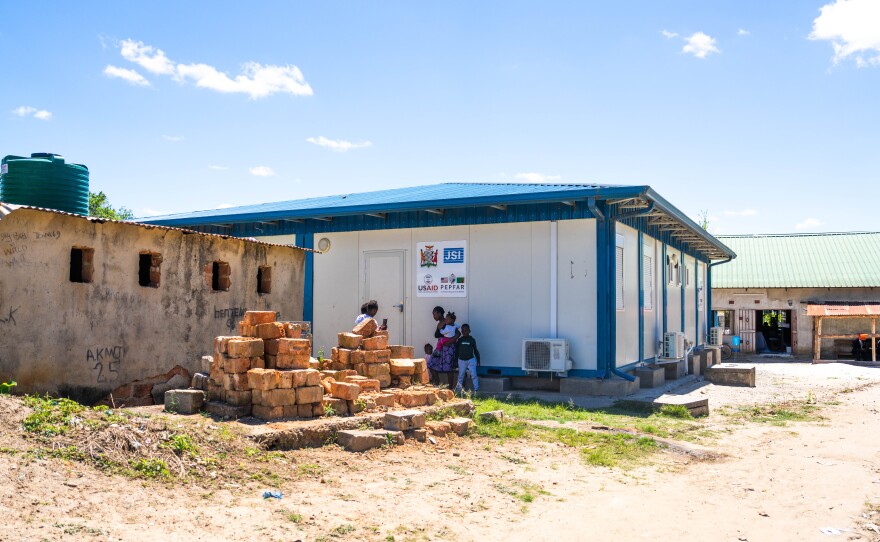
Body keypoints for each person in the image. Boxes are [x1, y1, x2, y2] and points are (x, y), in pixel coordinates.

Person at [427, 306, 457, 385]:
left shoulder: (448, 322)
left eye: (435, 314)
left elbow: (458, 333)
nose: (434, 316)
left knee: (448, 368)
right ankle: (438, 382)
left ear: (440, 313)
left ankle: (451, 388)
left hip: (448, 348)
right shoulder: (439, 323)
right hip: (440, 347)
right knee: (430, 364)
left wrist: (449, 342)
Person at [454, 323, 480, 394]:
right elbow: (457, 351)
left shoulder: (472, 340)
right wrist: (455, 360)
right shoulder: (460, 340)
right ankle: (458, 389)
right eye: (463, 330)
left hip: (471, 359)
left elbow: (475, 350)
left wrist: (478, 359)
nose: (464, 332)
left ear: (469, 331)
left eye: (466, 330)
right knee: (461, 375)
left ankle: (476, 389)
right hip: (461, 360)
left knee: (473, 374)